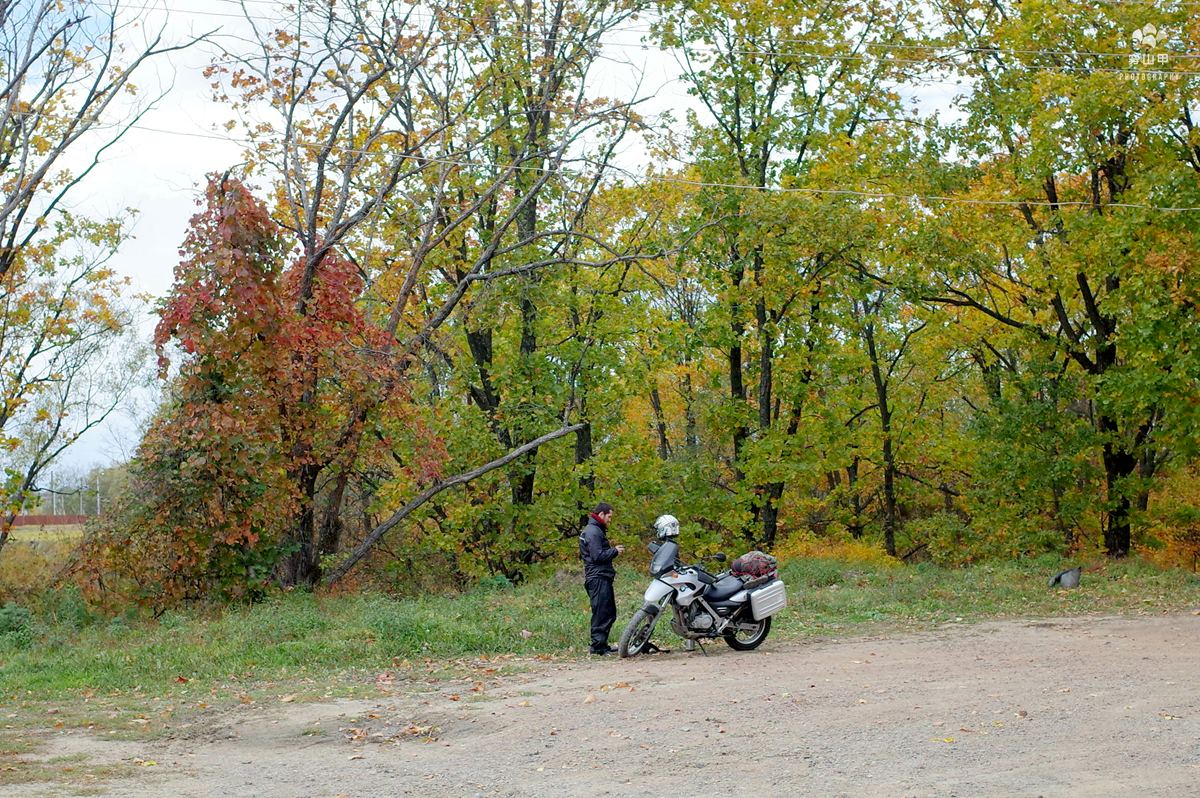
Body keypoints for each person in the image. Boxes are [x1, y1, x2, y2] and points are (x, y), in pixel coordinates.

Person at [578, 501, 624, 655]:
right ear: (601, 514)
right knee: (601, 613)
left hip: (601, 576)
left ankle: (601, 645)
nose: (610, 520)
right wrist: (614, 551)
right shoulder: (593, 531)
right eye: (609, 516)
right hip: (598, 577)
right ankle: (598, 648)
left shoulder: (595, 530)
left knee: (608, 612)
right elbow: (597, 556)